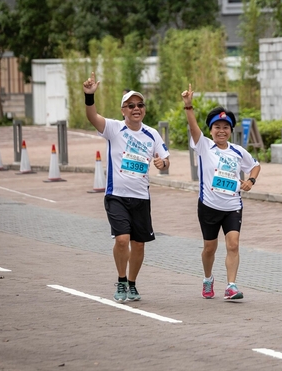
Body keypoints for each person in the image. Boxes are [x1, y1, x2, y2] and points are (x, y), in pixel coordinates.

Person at [82, 72, 170, 302]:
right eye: (131, 106)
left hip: (141, 198)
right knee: (122, 240)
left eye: (140, 105)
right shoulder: (114, 128)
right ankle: (121, 280)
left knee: (138, 245)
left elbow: (165, 159)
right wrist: (89, 96)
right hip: (117, 196)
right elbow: (92, 117)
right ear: (123, 110)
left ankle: (132, 283)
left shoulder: (152, 134)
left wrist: (162, 163)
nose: (136, 108)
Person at [182, 84, 260, 300]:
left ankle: (231, 286)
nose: (222, 131)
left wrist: (251, 180)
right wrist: (188, 106)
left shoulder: (238, 151)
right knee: (210, 248)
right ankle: (208, 278)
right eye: (217, 127)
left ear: (231, 130)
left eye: (226, 127)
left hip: (233, 206)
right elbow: (193, 127)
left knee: (233, 244)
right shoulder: (204, 146)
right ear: (210, 130)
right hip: (209, 206)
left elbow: (255, 165)